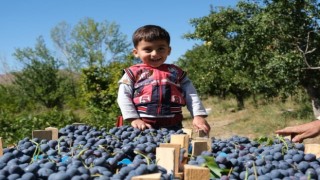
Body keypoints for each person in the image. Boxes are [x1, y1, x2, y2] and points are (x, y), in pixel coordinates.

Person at [117, 25, 211, 134]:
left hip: (173, 125)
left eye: (161, 48)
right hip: (143, 124)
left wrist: (198, 115)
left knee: (175, 149)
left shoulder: (176, 73)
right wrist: (133, 118)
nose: (155, 54)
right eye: (147, 49)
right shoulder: (132, 73)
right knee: (145, 149)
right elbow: (123, 96)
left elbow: (191, 95)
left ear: (169, 50)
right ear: (136, 52)